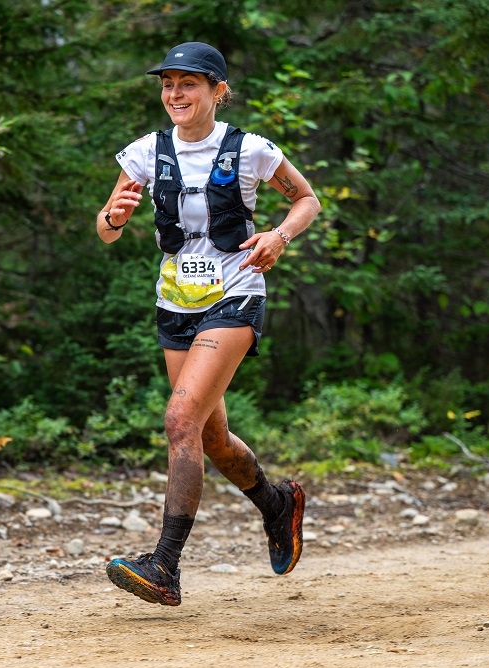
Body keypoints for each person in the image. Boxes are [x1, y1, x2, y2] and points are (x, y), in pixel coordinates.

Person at [97, 42, 321, 606]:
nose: (175, 93)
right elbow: (106, 226)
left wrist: (279, 236)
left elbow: (307, 199)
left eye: (188, 83)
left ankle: (164, 567)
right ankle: (277, 503)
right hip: (176, 300)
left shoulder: (250, 149)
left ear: (218, 91)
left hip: (236, 291)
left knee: (179, 419)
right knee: (211, 436)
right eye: (168, 83)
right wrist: (112, 219)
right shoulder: (146, 152)